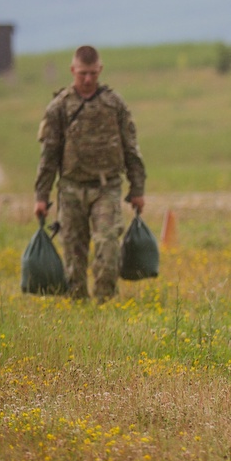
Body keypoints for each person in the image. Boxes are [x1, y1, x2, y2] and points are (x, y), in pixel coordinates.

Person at [34, 45, 146, 302]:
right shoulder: (59, 108)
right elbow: (48, 157)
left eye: (92, 73)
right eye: (82, 73)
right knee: (73, 252)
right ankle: (78, 304)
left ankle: (105, 302)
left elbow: (131, 149)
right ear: (73, 70)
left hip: (106, 187)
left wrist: (137, 190)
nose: (87, 79)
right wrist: (41, 196)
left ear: (100, 71)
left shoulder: (114, 104)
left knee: (107, 246)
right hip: (71, 188)